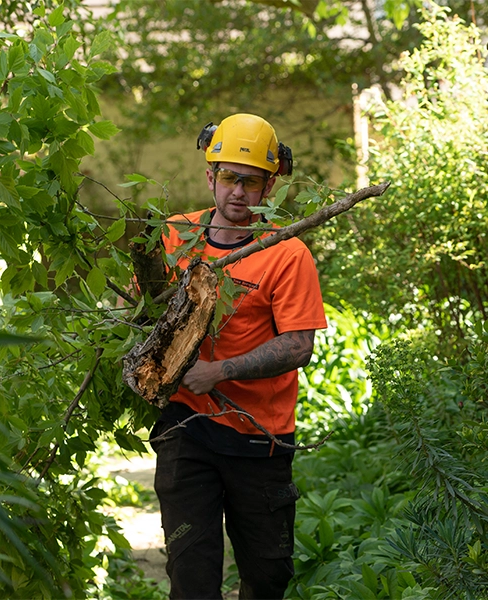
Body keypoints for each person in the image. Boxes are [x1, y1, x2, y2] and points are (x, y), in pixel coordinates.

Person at [150, 113, 327, 600]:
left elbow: (298, 344)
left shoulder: (285, 252)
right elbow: (141, 305)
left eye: (250, 182)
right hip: (186, 428)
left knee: (267, 575)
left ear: (269, 186)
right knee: (191, 577)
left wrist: (220, 371)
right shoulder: (173, 235)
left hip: (258, 436)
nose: (237, 192)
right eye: (229, 177)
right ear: (210, 175)